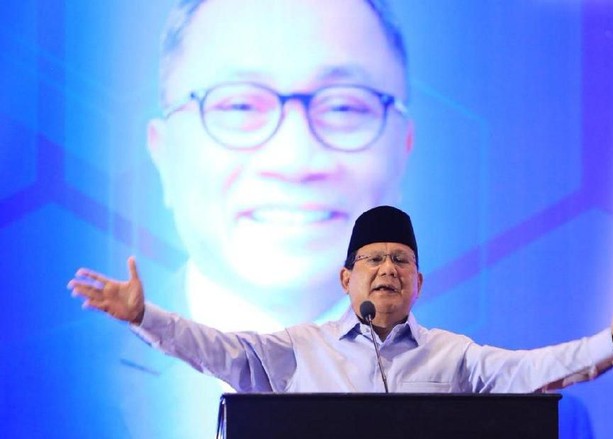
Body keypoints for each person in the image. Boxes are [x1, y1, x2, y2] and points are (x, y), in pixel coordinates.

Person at [69, 206, 613, 395]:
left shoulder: (453, 356)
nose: (388, 269)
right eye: (373, 259)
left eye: (401, 260)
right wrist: (144, 316)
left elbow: (531, 372)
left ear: (419, 283)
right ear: (346, 279)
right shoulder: (297, 351)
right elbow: (215, 350)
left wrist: (611, 344)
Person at [147, 0, 413, 332]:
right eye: (240, 106)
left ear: (403, 149)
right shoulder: (82, 360)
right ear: (163, 153)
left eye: (343, 108)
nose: (294, 161)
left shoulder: (465, 362)